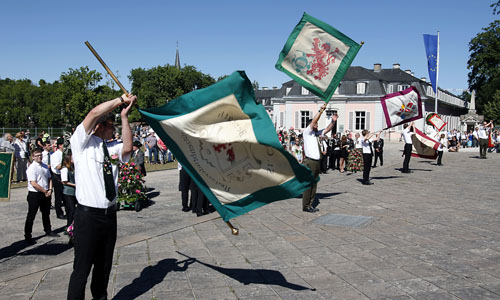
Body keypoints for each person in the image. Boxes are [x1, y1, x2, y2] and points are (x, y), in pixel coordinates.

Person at [67, 93, 136, 300]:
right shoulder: (81, 143)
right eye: (111, 125)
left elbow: (128, 147)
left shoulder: (111, 148)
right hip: (87, 217)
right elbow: (93, 113)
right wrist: (119, 100)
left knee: (104, 267)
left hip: (109, 216)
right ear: (99, 126)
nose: (113, 129)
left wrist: (125, 117)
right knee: (82, 268)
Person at [302, 103, 337, 213]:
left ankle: (311, 204)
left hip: (317, 162)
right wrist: (321, 110)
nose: (317, 125)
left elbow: (327, 129)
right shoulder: (307, 132)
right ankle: (306, 205)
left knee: (314, 183)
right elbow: (313, 122)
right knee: (309, 184)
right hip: (310, 162)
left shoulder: (317, 134)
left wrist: (333, 121)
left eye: (317, 124)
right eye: (315, 124)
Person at [24, 149, 58, 245]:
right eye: (37, 155)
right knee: (31, 215)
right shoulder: (32, 168)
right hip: (35, 193)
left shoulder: (44, 166)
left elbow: (49, 178)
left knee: (46, 213)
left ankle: (48, 230)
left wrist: (50, 190)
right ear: (33, 157)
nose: (40, 157)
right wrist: (44, 191)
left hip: (46, 192)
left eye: (40, 155)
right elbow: (33, 183)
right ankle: (28, 235)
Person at [51, 138, 66, 219]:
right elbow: (58, 167)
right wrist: (66, 162)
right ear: (60, 145)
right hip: (57, 176)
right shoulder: (55, 155)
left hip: (64, 175)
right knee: (58, 196)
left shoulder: (64, 154)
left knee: (65, 195)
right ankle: (59, 212)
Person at [61, 154, 77, 229]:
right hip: (68, 192)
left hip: (74, 191)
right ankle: (69, 226)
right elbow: (64, 181)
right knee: (71, 209)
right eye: (72, 159)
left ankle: (73, 224)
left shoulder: (72, 168)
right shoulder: (65, 169)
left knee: (75, 209)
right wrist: (75, 185)